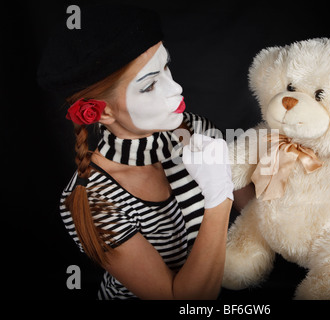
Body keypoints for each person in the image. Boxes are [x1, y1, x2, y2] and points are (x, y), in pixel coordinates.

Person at [37, 5, 234, 299]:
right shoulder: (91, 199)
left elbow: (258, 203)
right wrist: (219, 196)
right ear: (101, 113)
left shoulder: (192, 129)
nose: (176, 89)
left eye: (166, 67)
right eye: (150, 84)